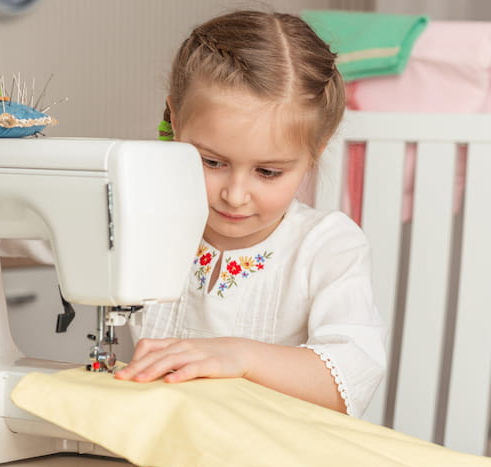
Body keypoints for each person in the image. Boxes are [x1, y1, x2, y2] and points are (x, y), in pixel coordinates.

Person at [115, 10, 386, 418]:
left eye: (268, 172)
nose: (235, 195)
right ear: (174, 118)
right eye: (211, 162)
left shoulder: (326, 246)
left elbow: (349, 378)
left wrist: (241, 356)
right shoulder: (137, 214)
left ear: (319, 145)